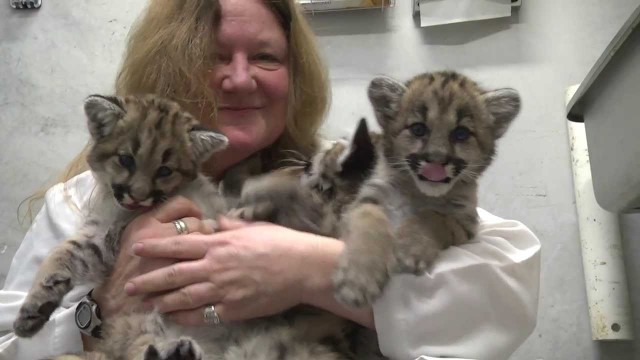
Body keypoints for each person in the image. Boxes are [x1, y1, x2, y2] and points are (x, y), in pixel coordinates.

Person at [0, 0, 541, 359]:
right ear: (167, 70)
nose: (240, 78)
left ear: (294, 77)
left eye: (265, 57)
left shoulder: (347, 167)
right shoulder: (81, 201)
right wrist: (100, 305)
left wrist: (307, 269)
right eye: (213, 57)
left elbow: (507, 285)